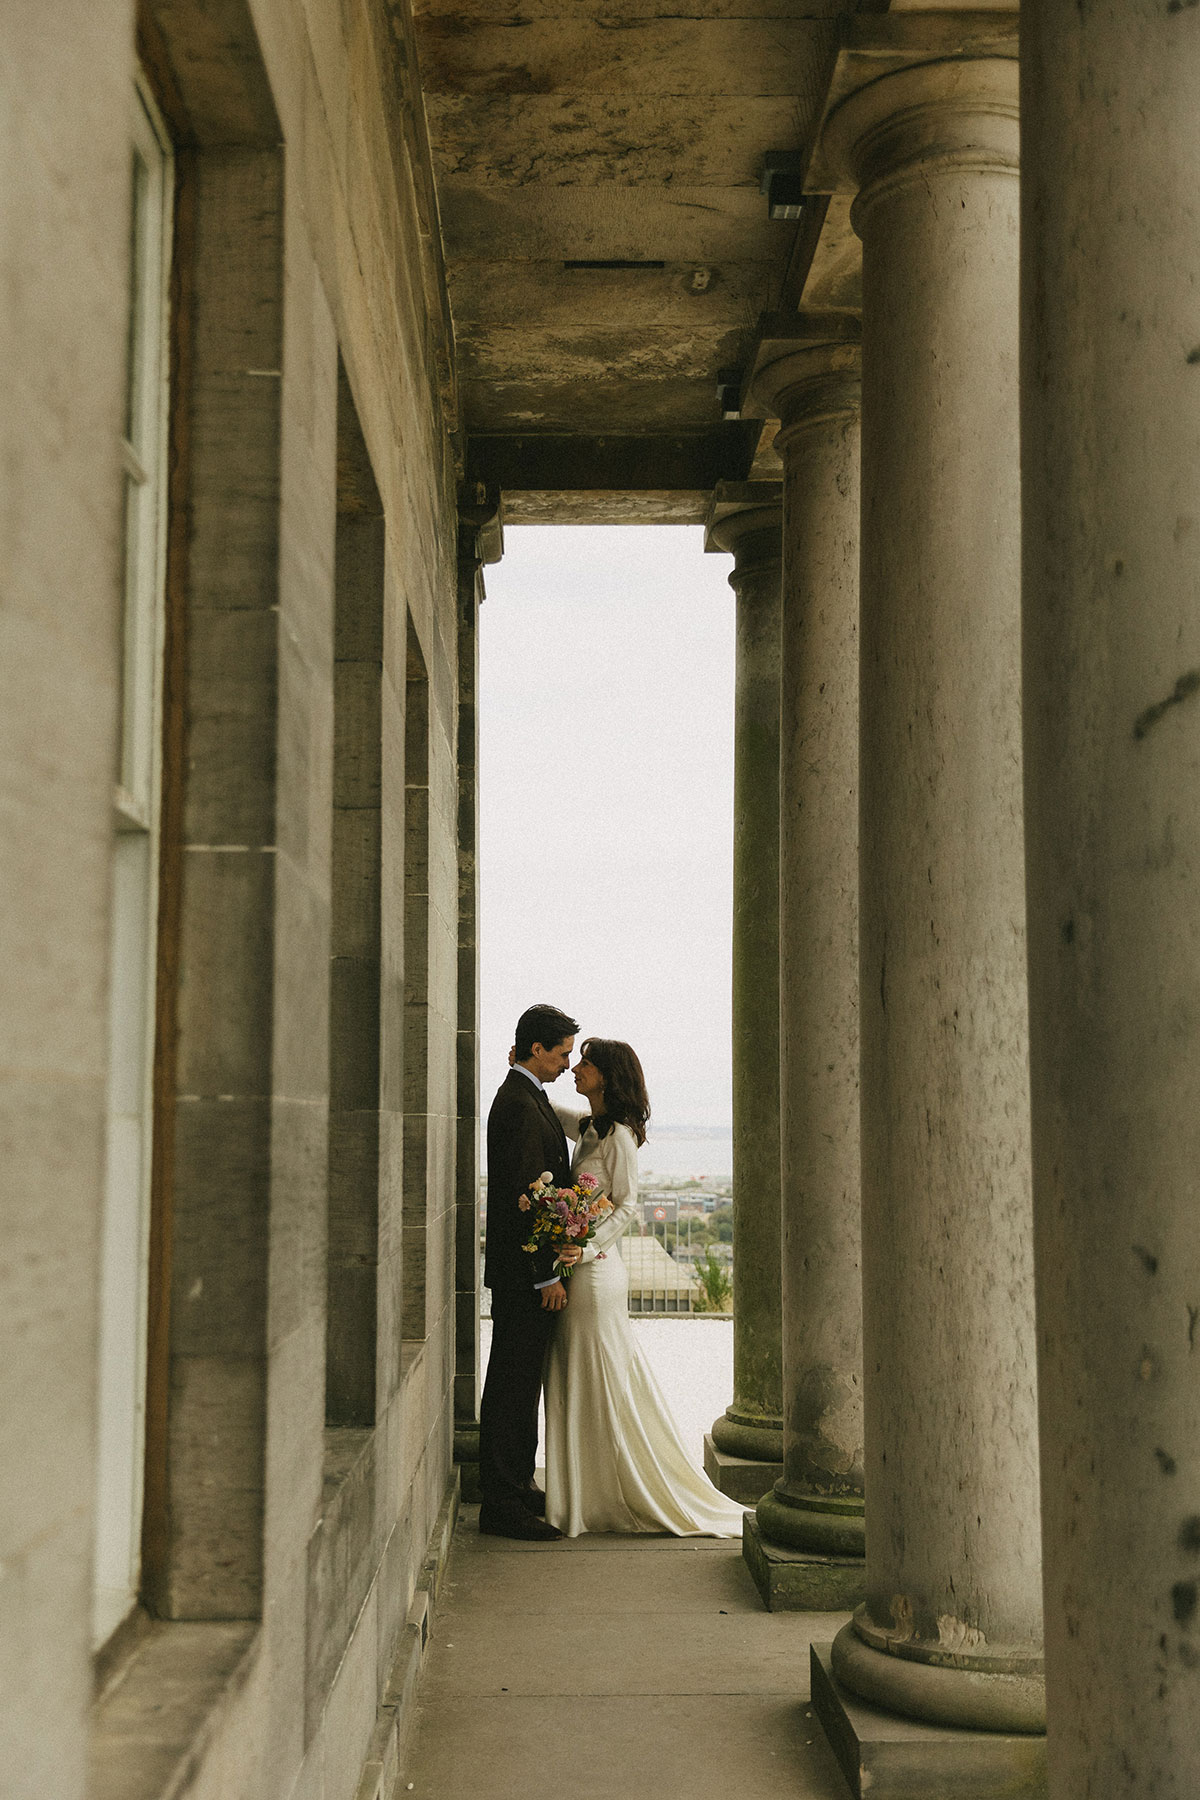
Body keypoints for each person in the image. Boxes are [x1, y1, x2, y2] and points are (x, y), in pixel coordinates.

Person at [544, 1038, 746, 1537]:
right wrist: (523, 1067)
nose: (576, 1068)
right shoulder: (590, 1127)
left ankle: (613, 1490)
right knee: (580, 1374)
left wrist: (588, 1249)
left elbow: (629, 1205)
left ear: (607, 1077)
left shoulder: (620, 1138)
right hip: (581, 1266)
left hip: (596, 1273)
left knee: (600, 1375)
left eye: (585, 1063)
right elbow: (545, 1103)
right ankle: (584, 1490)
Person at [478, 1002, 583, 1541]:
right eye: (562, 1053)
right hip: (525, 1275)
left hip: (523, 1271)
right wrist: (545, 1275)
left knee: (519, 1382)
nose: (567, 1063)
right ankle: (501, 1504)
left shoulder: (526, 1095)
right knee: (512, 1386)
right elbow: (526, 1197)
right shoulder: (518, 1104)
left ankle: (516, 1485)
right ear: (536, 1049)